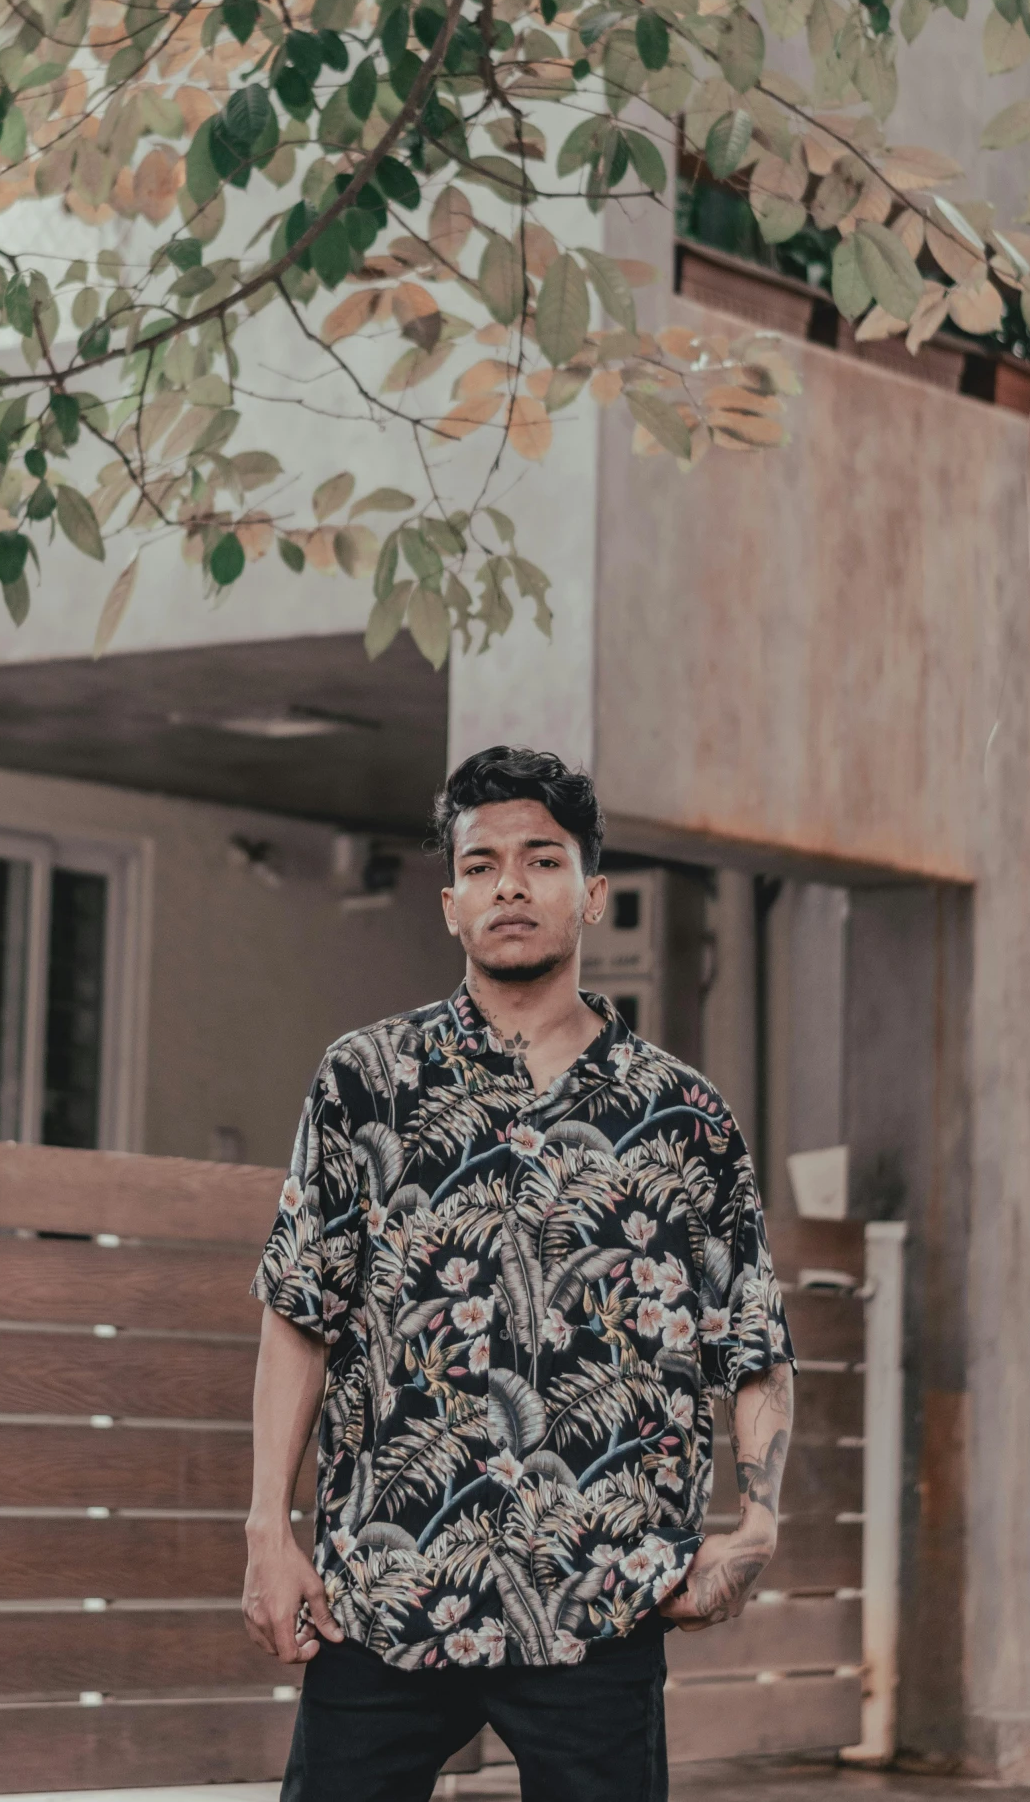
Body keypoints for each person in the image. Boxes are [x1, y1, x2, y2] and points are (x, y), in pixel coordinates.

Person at [242, 745, 795, 1802]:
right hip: (386, 1590)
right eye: (483, 862)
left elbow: (754, 1341)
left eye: (541, 859)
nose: (510, 883)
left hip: (598, 1600)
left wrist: (760, 1521)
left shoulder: (681, 1116)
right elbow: (299, 1311)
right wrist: (268, 1530)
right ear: (449, 901)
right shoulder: (365, 1082)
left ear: (590, 892)